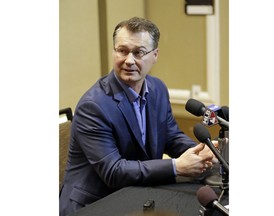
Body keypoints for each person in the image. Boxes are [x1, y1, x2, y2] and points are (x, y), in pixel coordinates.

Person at [59, 17, 218, 216]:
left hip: (137, 193)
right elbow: (114, 171)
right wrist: (176, 166)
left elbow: (170, 136)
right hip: (95, 203)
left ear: (155, 55)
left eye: (138, 52)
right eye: (122, 51)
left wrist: (203, 152)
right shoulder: (93, 106)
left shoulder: (157, 88)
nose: (129, 60)